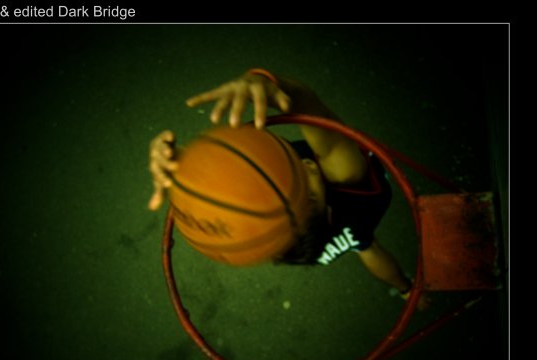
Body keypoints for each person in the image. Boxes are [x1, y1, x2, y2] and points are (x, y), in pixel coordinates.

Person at [148, 69, 427, 310]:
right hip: (366, 204)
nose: (307, 166)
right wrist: (406, 288)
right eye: (310, 196)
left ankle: (403, 288)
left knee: (362, 246)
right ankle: (403, 287)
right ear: (329, 210)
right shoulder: (346, 178)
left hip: (310, 245)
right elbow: (313, 111)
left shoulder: (271, 225)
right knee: (366, 244)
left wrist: (182, 166)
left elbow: (228, 193)